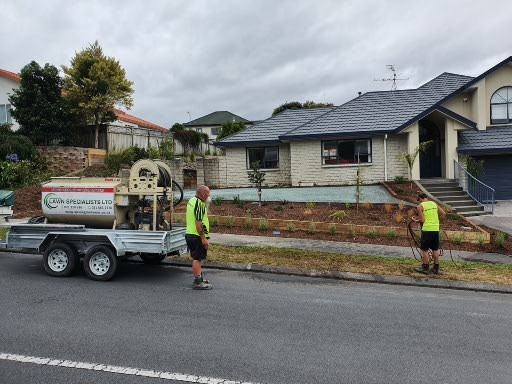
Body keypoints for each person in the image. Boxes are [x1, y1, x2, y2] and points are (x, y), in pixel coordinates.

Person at [185, 185, 212, 290]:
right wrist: (203, 238)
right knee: (197, 258)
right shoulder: (199, 204)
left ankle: (199, 278)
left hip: (191, 234)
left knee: (198, 258)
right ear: (203, 194)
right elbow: (198, 224)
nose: (209, 195)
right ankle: (197, 282)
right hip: (196, 236)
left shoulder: (192, 200)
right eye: (208, 193)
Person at [414, 193, 446, 275]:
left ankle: (425, 268)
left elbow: (423, 220)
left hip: (427, 229)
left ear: (420, 199)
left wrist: (416, 221)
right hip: (435, 229)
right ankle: (436, 268)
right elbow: (444, 214)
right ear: (427, 198)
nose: (419, 202)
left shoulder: (420, 206)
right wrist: (437, 221)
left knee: (424, 249)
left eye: (419, 200)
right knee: (435, 249)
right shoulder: (434, 203)